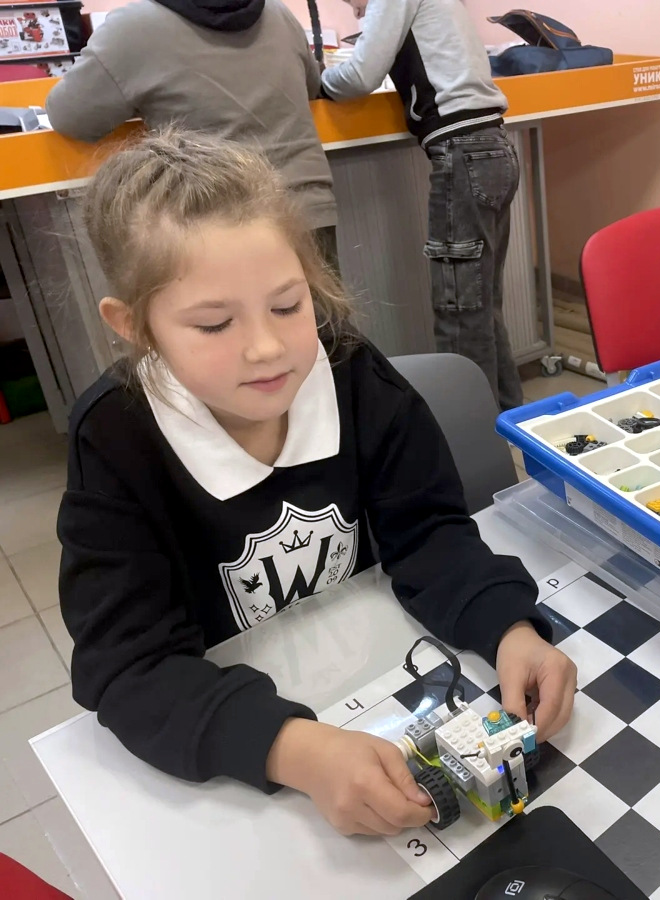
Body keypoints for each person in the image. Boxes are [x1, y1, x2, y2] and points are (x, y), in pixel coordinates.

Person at [57, 130, 576, 837]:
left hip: (375, 672)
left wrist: (508, 627)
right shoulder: (115, 440)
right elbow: (129, 667)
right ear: (134, 326)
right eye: (214, 323)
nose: (267, 347)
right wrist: (295, 751)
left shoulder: (353, 374)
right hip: (236, 738)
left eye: (287, 305)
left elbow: (428, 533)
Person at [320, 0, 524, 410]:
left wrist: (318, 79)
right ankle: (508, 422)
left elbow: (359, 76)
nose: (356, 10)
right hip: (493, 146)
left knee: (460, 314)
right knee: (481, 307)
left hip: (462, 151)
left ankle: (471, 437)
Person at [45, 0, 340, 270]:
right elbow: (311, 86)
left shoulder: (132, 29)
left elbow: (70, 116)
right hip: (306, 209)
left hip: (213, 222)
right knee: (316, 311)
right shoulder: (279, 13)